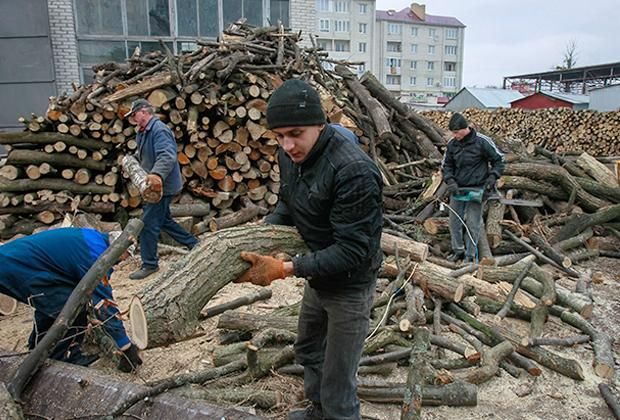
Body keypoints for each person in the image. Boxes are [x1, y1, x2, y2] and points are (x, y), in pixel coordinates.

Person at [235, 79, 383, 420]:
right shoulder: (290, 156)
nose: (287, 145)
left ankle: (339, 415)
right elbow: (288, 205)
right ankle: (318, 411)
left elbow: (352, 251)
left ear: (320, 123)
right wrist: (263, 239)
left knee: (338, 377)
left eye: (295, 133)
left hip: (350, 284)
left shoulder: (353, 171)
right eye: (279, 135)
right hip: (319, 275)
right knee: (308, 349)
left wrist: (285, 269)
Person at [0, 227, 142, 372]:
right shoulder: (94, 255)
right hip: (15, 267)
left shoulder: (93, 238)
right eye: (124, 256)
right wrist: (125, 346)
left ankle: (39, 347)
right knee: (72, 307)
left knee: (56, 300)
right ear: (119, 249)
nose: (122, 261)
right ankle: (61, 357)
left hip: (17, 262)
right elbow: (103, 301)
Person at [125, 99, 198, 280]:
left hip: (161, 186)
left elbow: (167, 156)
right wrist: (132, 160)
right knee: (164, 220)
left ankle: (150, 264)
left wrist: (157, 175)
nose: (133, 119)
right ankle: (195, 245)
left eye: (134, 115)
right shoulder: (143, 132)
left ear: (144, 111)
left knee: (147, 224)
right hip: (153, 185)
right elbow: (145, 154)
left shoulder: (159, 130)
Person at [441, 112, 505, 263]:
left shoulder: (482, 141)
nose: (455, 135)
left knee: (472, 222)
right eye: (453, 132)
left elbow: (499, 160)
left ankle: (470, 255)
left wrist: (492, 177)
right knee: (454, 221)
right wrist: (450, 181)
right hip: (458, 188)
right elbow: (446, 165)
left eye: (457, 132)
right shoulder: (452, 144)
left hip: (478, 188)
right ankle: (458, 250)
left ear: (465, 128)